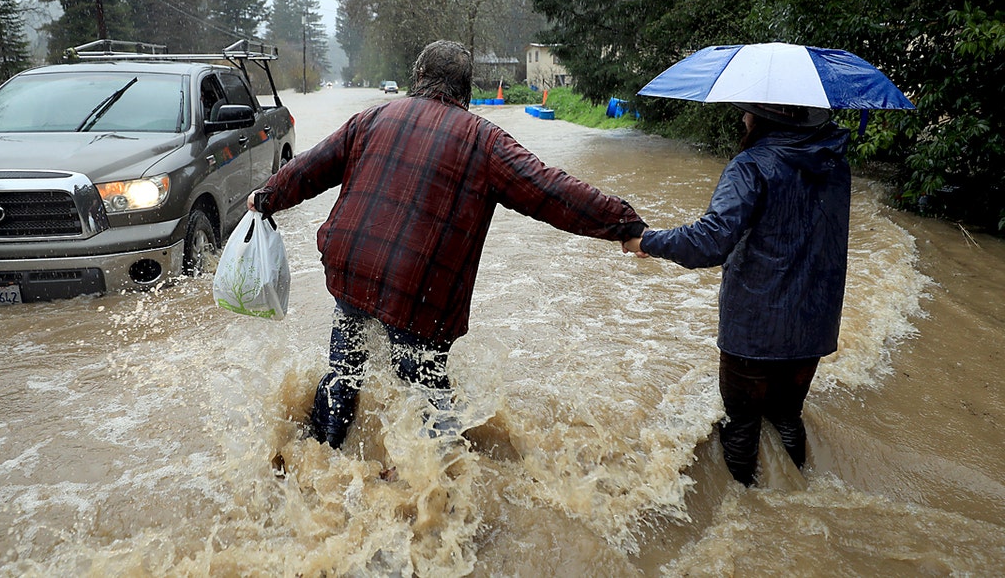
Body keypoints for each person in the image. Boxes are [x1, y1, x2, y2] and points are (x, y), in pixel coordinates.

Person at [248, 40, 647, 449]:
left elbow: (310, 167)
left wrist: (266, 196)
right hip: (419, 291)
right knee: (427, 395)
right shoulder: (484, 141)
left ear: (418, 79)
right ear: (467, 92)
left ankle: (318, 456)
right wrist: (623, 223)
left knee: (344, 372)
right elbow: (551, 191)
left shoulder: (370, 119)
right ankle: (438, 486)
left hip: (352, 270)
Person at [623, 102, 850, 486]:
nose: (743, 117)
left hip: (755, 326)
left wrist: (648, 240)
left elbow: (711, 241)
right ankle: (804, 494)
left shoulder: (751, 165)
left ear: (765, 117)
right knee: (787, 417)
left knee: (742, 425)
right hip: (814, 322)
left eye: (748, 111)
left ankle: (749, 516)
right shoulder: (834, 162)